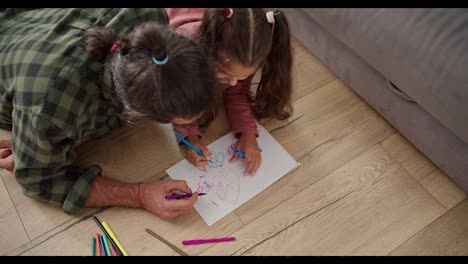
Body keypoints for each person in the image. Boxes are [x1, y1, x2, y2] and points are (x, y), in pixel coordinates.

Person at [0, 8, 216, 220]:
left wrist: (189, 133)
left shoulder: (151, 16)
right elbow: (40, 180)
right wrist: (140, 195)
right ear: (132, 110)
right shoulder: (51, 108)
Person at [166, 8, 293, 176]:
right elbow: (178, 101)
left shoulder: (247, 52)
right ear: (209, 52)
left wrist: (247, 132)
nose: (234, 83)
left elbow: (237, 92)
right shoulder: (185, 51)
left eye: (243, 77)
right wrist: (191, 137)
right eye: (226, 74)